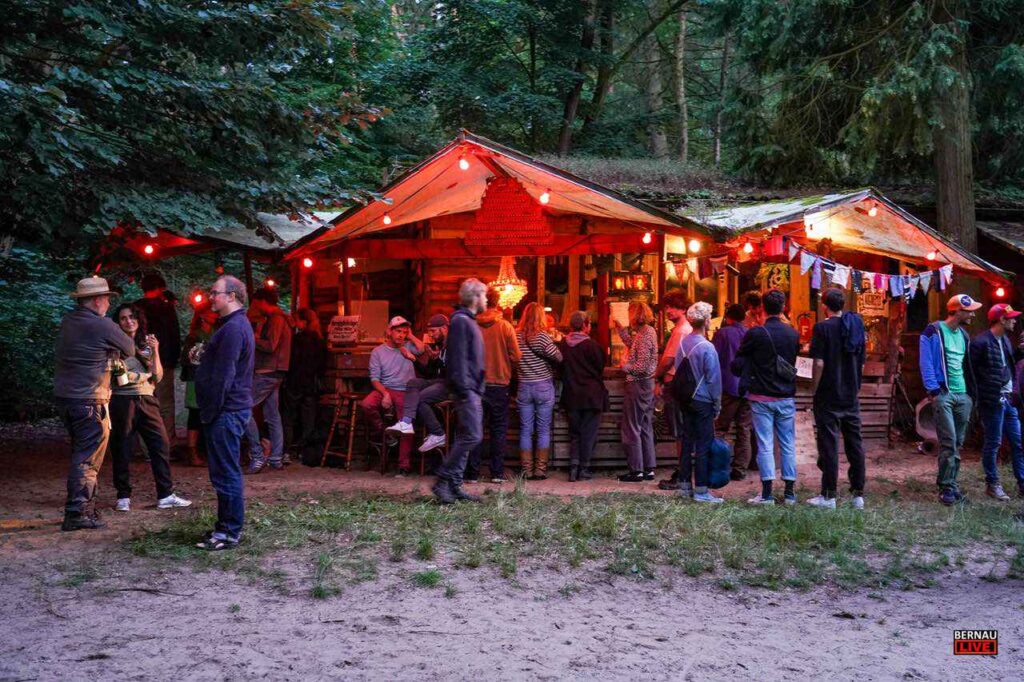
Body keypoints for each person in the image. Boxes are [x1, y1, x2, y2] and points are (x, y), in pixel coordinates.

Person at [55, 276, 136, 531]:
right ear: (99, 300)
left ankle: (83, 509)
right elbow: (130, 348)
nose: (108, 304)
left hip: (66, 398)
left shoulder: (68, 322)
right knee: (87, 459)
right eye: (108, 299)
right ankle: (77, 513)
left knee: (80, 453)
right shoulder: (102, 325)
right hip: (90, 398)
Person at [109, 303, 192, 512]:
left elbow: (159, 376)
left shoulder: (146, 344)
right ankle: (123, 496)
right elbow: (120, 379)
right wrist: (145, 376)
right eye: (123, 318)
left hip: (147, 399)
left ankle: (165, 494)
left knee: (160, 445)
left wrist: (155, 350)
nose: (129, 321)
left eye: (132, 317)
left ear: (138, 319)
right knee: (122, 447)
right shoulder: (113, 346)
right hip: (123, 400)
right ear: (117, 322)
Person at [194, 275, 254, 550]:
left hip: (226, 410)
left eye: (215, 292)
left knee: (226, 472)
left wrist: (211, 410)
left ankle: (229, 532)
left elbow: (225, 375)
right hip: (228, 408)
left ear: (231, 296)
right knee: (223, 471)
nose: (210, 297)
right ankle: (225, 527)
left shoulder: (233, 328)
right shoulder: (231, 326)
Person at [734, 288, 800, 505]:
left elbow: (739, 360)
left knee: (765, 444)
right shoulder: (793, 334)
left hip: (761, 396)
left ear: (763, 307)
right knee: (788, 443)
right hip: (786, 396)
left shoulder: (755, 333)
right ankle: (790, 493)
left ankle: (767, 494)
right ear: (783, 307)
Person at [807, 288, 866, 510]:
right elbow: (861, 363)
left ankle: (829, 495)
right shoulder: (856, 326)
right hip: (851, 394)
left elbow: (819, 363)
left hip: (828, 394)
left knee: (829, 444)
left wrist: (814, 388)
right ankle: (858, 494)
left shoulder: (822, 328)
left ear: (824, 305)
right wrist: (855, 385)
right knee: (855, 444)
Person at [432, 278, 488, 504]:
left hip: (472, 389)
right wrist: (466, 389)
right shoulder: (461, 322)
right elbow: (457, 359)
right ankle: (442, 480)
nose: (486, 300)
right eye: (484, 295)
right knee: (473, 436)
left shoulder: (466, 321)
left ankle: (454, 485)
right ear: (475, 298)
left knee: (466, 436)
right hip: (467, 390)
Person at [920, 294, 980, 505]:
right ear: (957, 311)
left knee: (958, 442)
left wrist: (970, 395)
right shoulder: (933, 331)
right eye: (969, 310)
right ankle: (947, 488)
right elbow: (926, 362)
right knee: (948, 443)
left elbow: (966, 366)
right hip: (943, 394)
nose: (973, 313)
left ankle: (951, 485)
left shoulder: (964, 335)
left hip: (962, 394)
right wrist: (934, 391)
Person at [969, 303, 1024, 501]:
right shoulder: (980, 342)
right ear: (1002, 319)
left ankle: (1022, 484)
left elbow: (1006, 366)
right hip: (992, 400)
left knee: (1018, 443)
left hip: (1009, 400)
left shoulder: (1006, 341)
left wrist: (1020, 351)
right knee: (993, 443)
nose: (1015, 320)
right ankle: (992, 484)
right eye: (1012, 317)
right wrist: (981, 398)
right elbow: (973, 373)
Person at [361, 317, 425, 474]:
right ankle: (386, 433)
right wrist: (385, 394)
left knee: (406, 424)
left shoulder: (408, 346)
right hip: (386, 388)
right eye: (398, 331)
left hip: (406, 390)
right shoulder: (378, 351)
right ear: (389, 331)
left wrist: (410, 336)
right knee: (367, 404)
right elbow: (374, 378)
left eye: (404, 332)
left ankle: (404, 465)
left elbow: (422, 348)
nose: (401, 335)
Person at [470, 289, 521, 483]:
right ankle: (497, 473)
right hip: (500, 383)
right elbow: (517, 356)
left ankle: (473, 473)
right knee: (499, 429)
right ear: (497, 303)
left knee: (476, 428)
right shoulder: (506, 327)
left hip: (476, 384)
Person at [675, 302, 723, 502]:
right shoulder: (707, 347)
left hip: (685, 399)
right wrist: (717, 404)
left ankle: (684, 486)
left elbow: (678, 369)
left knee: (687, 442)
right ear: (706, 321)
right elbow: (714, 380)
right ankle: (702, 490)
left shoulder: (682, 343)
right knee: (703, 445)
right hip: (703, 400)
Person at [387, 314, 450, 464]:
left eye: (434, 331)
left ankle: (438, 433)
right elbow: (429, 374)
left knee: (420, 397)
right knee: (413, 383)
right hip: (439, 381)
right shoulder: (438, 345)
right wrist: (413, 359)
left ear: (444, 328)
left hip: (452, 384)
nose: (431, 335)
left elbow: (455, 370)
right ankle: (407, 422)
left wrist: (439, 360)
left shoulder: (454, 343)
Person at [244, 287, 293, 473]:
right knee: (273, 415)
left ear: (263, 301)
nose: (254, 306)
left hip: (268, 371)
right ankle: (275, 458)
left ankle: (257, 455)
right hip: (277, 370)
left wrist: (253, 338)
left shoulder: (276, 319)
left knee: (243, 408)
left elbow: (271, 345)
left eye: (256, 302)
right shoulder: (281, 318)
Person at [558, 311, 608, 482]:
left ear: (571, 326)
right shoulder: (593, 346)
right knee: (588, 433)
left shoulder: (562, 345)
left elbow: (559, 367)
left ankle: (573, 467)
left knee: (574, 433)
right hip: (591, 395)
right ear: (586, 325)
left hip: (570, 394)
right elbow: (600, 368)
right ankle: (584, 468)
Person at [134, 272, 182, 449]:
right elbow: (173, 336)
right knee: (165, 405)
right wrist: (172, 359)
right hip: (163, 361)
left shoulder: (135, 309)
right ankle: (167, 443)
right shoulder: (165, 308)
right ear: (161, 288)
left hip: (139, 362)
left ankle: (145, 446)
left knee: (143, 401)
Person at [516, 301, 563, 480]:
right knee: (543, 429)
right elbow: (559, 357)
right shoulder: (542, 337)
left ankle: (526, 470)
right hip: (543, 385)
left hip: (523, 386)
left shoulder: (516, 335)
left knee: (525, 429)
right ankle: (540, 470)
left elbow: (513, 357)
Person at [615, 301, 658, 482]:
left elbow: (640, 366)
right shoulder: (647, 332)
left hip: (638, 384)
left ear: (635, 314)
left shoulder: (645, 334)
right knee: (645, 426)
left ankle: (636, 470)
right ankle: (648, 468)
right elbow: (635, 347)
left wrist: (624, 366)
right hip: (647, 385)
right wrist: (621, 331)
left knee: (631, 426)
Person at [653, 291, 692, 490]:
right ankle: (683, 471)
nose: (668, 310)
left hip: (675, 385)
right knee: (681, 431)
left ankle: (683, 474)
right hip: (681, 385)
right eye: (667, 307)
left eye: (672, 307)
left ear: (683, 308)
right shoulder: (684, 328)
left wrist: (657, 377)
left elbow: (669, 360)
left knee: (680, 432)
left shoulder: (680, 331)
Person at [282, 308, 327, 459]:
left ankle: (287, 449)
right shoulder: (319, 339)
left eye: (297, 320)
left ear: (304, 321)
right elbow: (321, 365)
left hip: (295, 382)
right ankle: (305, 450)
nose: (295, 323)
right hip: (311, 384)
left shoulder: (297, 339)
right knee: (309, 419)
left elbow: (292, 361)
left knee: (288, 417)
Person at [713, 303, 751, 481]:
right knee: (744, 429)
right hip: (747, 387)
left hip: (728, 386)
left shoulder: (723, 333)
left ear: (728, 317)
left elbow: (713, 358)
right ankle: (740, 469)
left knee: (721, 428)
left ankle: (719, 465)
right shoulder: (750, 333)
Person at [181, 302, 219, 467]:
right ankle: (192, 452)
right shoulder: (195, 336)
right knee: (195, 415)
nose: (215, 314)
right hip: (196, 379)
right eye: (211, 312)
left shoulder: (215, 333)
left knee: (209, 414)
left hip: (211, 379)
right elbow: (188, 360)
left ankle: (207, 450)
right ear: (203, 316)